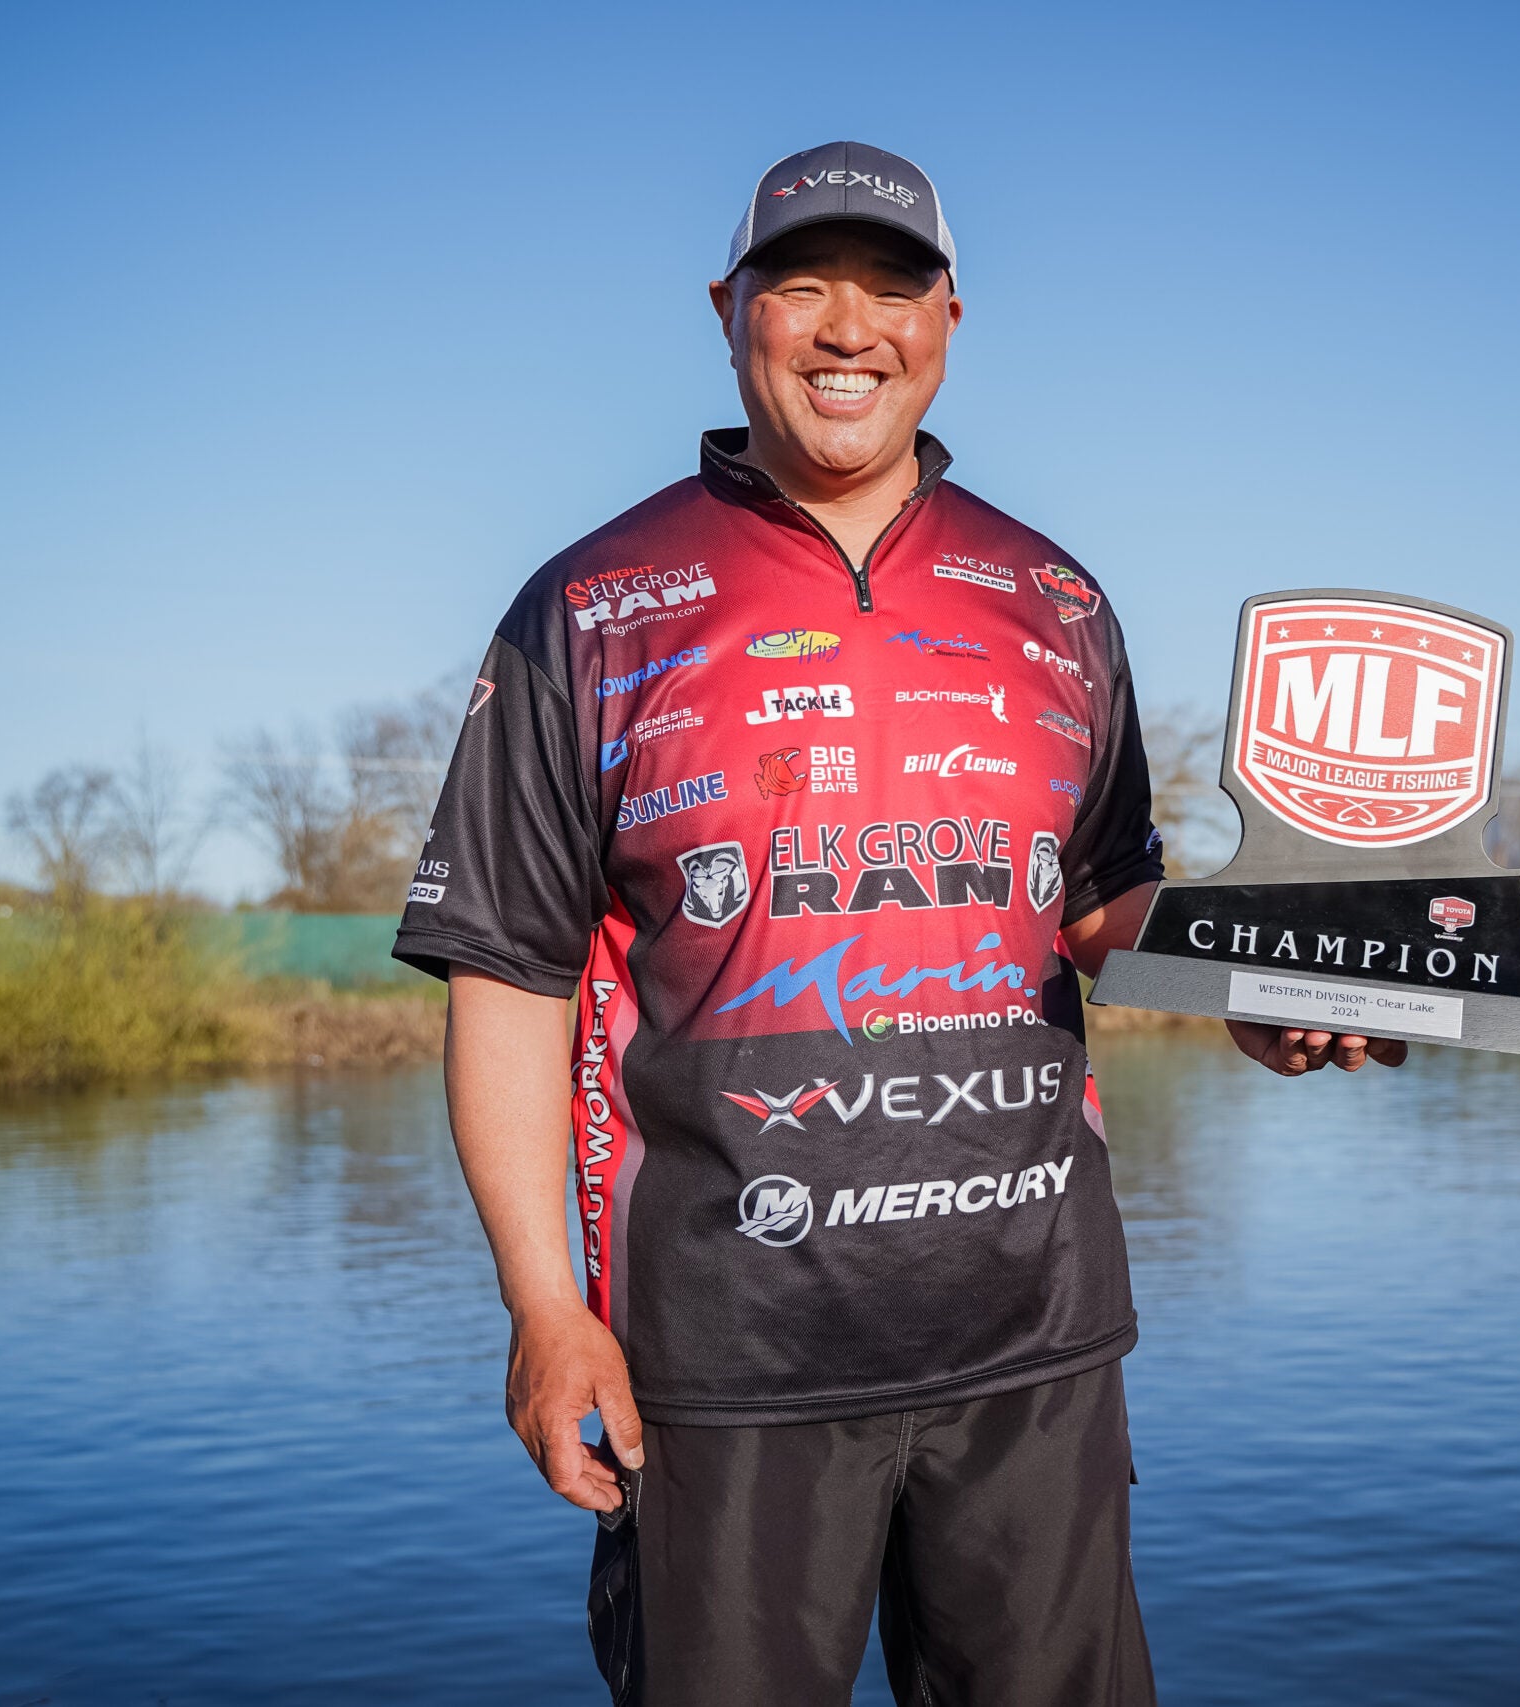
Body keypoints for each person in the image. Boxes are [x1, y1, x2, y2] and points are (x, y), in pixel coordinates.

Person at [394, 140, 1407, 1707]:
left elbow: (1097, 900)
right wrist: (543, 1309)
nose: (848, 328)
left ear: (948, 320)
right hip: (720, 1362)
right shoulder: (586, 607)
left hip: (1034, 1344)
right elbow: (506, 980)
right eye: (802, 286)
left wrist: (1254, 981)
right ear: (729, 310)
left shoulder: (1057, 598)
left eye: (891, 288)